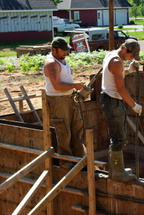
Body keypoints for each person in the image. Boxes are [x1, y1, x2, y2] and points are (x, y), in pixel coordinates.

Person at [99, 39, 142, 182]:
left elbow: (115, 75)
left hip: (110, 99)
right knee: (118, 138)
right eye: (130, 56)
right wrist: (134, 105)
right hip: (112, 101)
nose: (131, 58)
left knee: (118, 136)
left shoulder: (111, 55)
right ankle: (117, 172)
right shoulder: (117, 62)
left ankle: (117, 169)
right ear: (125, 49)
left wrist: (128, 70)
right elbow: (121, 88)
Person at [43, 37, 87, 169]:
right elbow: (57, 86)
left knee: (76, 129)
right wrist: (76, 85)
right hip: (58, 101)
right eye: (62, 51)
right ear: (54, 49)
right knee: (64, 132)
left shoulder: (62, 60)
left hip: (68, 98)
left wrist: (75, 87)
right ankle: (66, 163)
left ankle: (80, 160)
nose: (65, 53)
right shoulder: (51, 63)